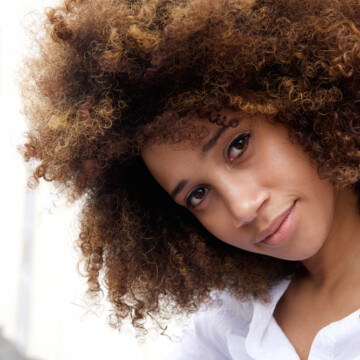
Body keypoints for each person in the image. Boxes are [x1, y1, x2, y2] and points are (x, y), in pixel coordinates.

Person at [21, 0, 360, 358]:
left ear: (300, 99)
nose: (243, 207)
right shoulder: (224, 330)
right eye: (198, 195)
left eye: (238, 145)